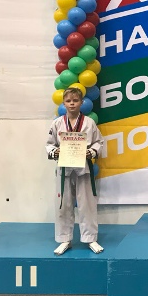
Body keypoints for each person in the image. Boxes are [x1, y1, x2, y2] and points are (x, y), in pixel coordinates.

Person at [46, 87, 104, 256]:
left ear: (81, 102)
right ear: (63, 103)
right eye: (68, 101)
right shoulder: (57, 123)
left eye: (75, 100)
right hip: (64, 168)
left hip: (83, 168)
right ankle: (65, 239)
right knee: (63, 204)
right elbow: (49, 143)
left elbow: (99, 142)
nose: (72, 104)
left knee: (87, 204)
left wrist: (91, 152)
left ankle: (90, 238)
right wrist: (54, 151)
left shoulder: (89, 123)